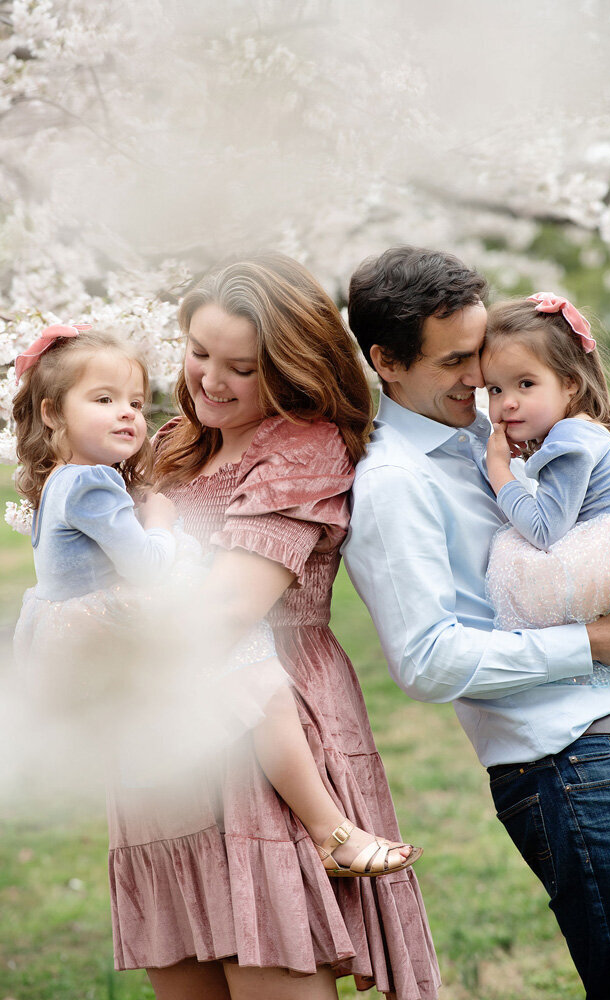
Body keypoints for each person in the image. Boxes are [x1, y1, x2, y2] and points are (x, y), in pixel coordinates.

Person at [108, 254, 440, 1000]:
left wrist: (109, 628)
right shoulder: (170, 444)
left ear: (291, 369)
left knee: (270, 970)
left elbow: (229, 610)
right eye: (198, 353)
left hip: (261, 737)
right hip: (163, 739)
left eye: (241, 368)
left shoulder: (303, 446)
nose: (210, 381)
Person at [11, 324, 421, 882]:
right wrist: (165, 526)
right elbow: (148, 565)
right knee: (261, 677)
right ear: (53, 413)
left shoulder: (64, 479)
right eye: (104, 401)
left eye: (134, 401)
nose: (129, 415)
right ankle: (330, 831)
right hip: (111, 624)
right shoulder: (92, 486)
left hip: (73, 630)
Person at [343, 246, 610, 1000]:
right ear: (387, 362)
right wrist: (593, 643)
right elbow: (426, 659)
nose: (480, 379)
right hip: (569, 762)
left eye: (487, 358)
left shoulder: (488, 433)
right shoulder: (393, 483)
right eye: (457, 361)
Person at [483, 293, 610, 650]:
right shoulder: (582, 428)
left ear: (570, 382)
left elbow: (545, 530)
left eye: (525, 384)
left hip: (605, 560)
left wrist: (499, 471)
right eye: (495, 389)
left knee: (513, 553)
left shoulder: (568, 439)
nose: (507, 401)